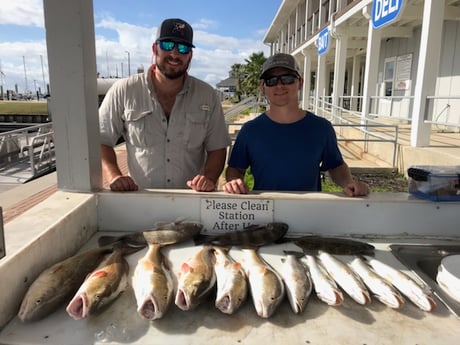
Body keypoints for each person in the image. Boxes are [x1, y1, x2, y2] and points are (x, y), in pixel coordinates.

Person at [99, 18, 231, 192]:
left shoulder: (207, 95)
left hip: (192, 201)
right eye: (168, 45)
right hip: (141, 200)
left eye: (183, 48)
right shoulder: (123, 90)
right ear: (155, 49)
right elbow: (101, 140)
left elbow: (217, 148)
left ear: (190, 56)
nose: (175, 55)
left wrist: (209, 178)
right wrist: (114, 176)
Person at [223, 53, 369, 197]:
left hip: (308, 213)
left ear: (300, 82)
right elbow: (235, 169)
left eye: (287, 79)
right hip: (266, 213)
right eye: (271, 80)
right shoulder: (250, 130)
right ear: (263, 87)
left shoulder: (322, 128)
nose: (279, 85)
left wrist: (348, 183)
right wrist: (234, 182)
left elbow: (336, 166)